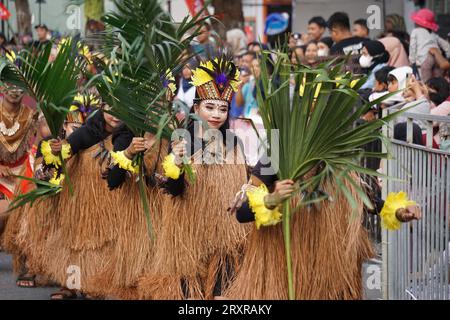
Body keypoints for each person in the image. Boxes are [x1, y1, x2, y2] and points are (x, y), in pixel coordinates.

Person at [137, 54, 249, 300]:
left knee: (221, 295)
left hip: (225, 239)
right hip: (187, 238)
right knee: (190, 298)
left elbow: (244, 186)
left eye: (223, 108)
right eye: (210, 107)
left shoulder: (234, 143)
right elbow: (174, 191)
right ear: (196, 108)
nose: (216, 115)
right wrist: (176, 161)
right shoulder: (181, 141)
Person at [409, 8, 450, 82]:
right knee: (437, 80)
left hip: (424, 58)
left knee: (426, 82)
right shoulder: (433, 34)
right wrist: (447, 56)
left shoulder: (415, 31)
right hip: (437, 57)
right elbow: (446, 46)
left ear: (418, 22)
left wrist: (412, 61)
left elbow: (412, 46)